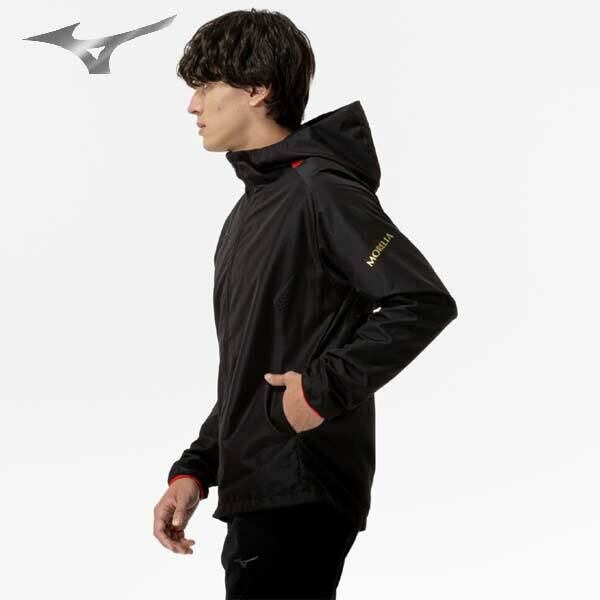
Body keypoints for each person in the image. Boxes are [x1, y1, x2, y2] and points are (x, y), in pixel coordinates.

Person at [153, 8, 458, 599]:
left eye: (206, 85)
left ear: (257, 90)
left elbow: (420, 300)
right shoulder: (251, 210)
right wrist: (197, 468)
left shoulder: (320, 188)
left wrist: (319, 392)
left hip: (300, 481)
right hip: (259, 484)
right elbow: (254, 364)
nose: (193, 105)